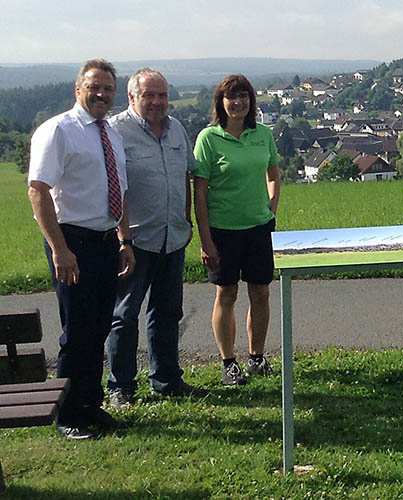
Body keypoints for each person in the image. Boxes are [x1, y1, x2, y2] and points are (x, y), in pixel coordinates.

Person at [27, 59, 135, 439]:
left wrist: (124, 239)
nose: (102, 94)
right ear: (78, 89)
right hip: (72, 242)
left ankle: (91, 404)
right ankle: (69, 415)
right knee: (77, 332)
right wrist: (59, 249)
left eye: (108, 88)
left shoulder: (111, 133)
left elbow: (118, 190)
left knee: (100, 327)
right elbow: (37, 191)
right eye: (94, 87)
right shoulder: (59, 130)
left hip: (106, 242)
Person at [105, 68, 205, 408]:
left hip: (172, 237)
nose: (156, 102)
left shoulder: (177, 128)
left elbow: (188, 177)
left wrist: (187, 221)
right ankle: (120, 387)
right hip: (134, 242)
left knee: (167, 312)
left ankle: (166, 380)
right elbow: (114, 190)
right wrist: (122, 240)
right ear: (132, 97)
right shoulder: (116, 131)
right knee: (124, 314)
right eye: (149, 95)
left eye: (162, 95)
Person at [193, 74, 281, 386]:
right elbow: (200, 193)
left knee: (261, 291)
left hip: (258, 228)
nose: (238, 102)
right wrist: (206, 239)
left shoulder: (263, 135)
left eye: (243, 96)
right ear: (221, 102)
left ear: (251, 101)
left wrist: (271, 209)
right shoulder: (208, 138)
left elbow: (274, 175)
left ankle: (256, 357)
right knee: (226, 293)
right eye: (232, 97)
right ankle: (229, 362)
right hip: (222, 230)